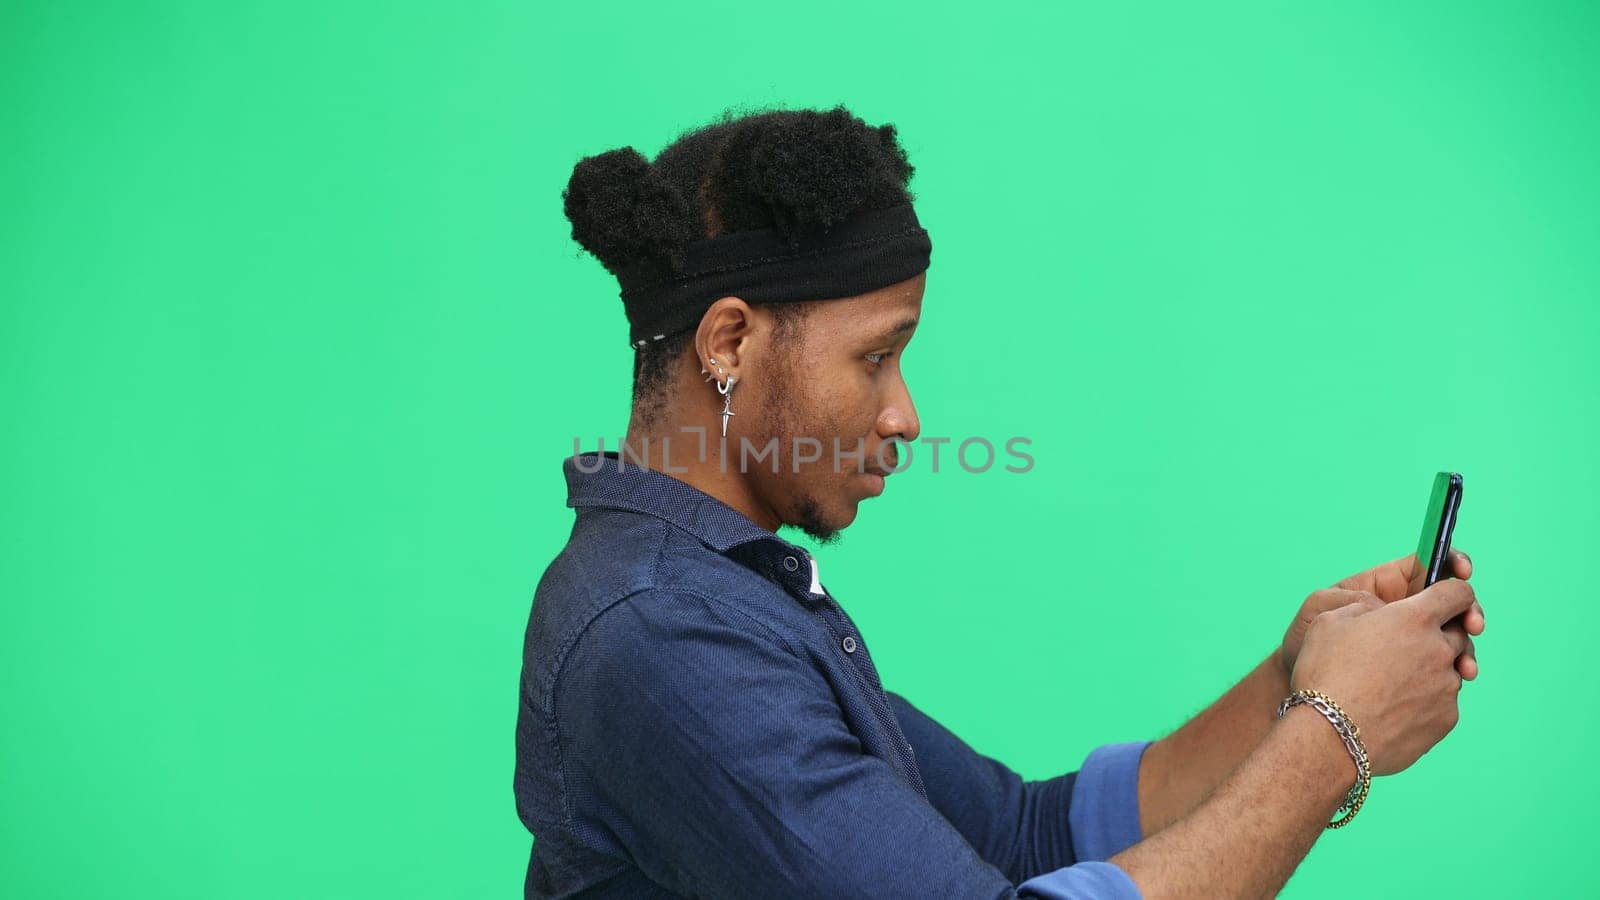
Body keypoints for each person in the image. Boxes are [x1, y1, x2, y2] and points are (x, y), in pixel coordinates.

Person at [512, 104, 1487, 898]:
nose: (904, 414)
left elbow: (1033, 837)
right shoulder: (665, 635)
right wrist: (1332, 734)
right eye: (875, 356)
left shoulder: (728, 599)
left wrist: (1291, 680)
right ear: (728, 343)